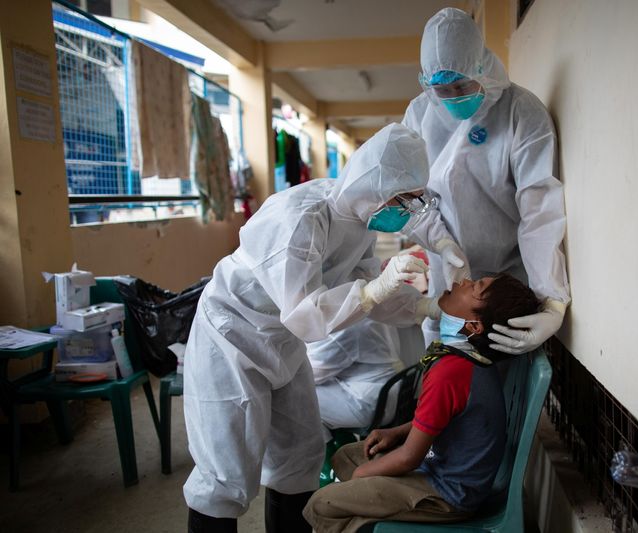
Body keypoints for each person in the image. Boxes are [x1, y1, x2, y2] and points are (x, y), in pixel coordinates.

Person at [183, 123, 442, 533]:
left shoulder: (358, 223)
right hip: (232, 336)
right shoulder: (300, 218)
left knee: (300, 456)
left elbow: (370, 290)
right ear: (374, 186)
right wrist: (373, 290)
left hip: (282, 343)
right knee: (225, 472)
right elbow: (305, 314)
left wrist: (427, 305)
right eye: (401, 200)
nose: (404, 212)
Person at [302, 273, 541, 533]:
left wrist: (362, 478)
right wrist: (396, 432)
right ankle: (364, 512)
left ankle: (362, 517)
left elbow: (409, 458)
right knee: (348, 455)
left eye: (475, 287)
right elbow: (444, 419)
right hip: (444, 467)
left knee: (322, 504)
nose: (463, 282)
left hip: (448, 494)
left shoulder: (451, 371)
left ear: (474, 326)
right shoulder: (467, 358)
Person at [401, 8, 571, 355]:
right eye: (441, 89)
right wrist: (444, 245)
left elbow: (539, 211)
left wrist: (552, 300)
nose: (451, 97)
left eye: (460, 85)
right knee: (440, 366)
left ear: (481, 65)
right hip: (447, 274)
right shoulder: (419, 115)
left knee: (496, 365)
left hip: (505, 280)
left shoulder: (520, 113)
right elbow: (409, 198)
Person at [306, 317, 404, 442]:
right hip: (392, 391)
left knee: (296, 394)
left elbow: (311, 374)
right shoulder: (368, 312)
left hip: (369, 404)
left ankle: (328, 453)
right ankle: (343, 441)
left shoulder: (344, 328)